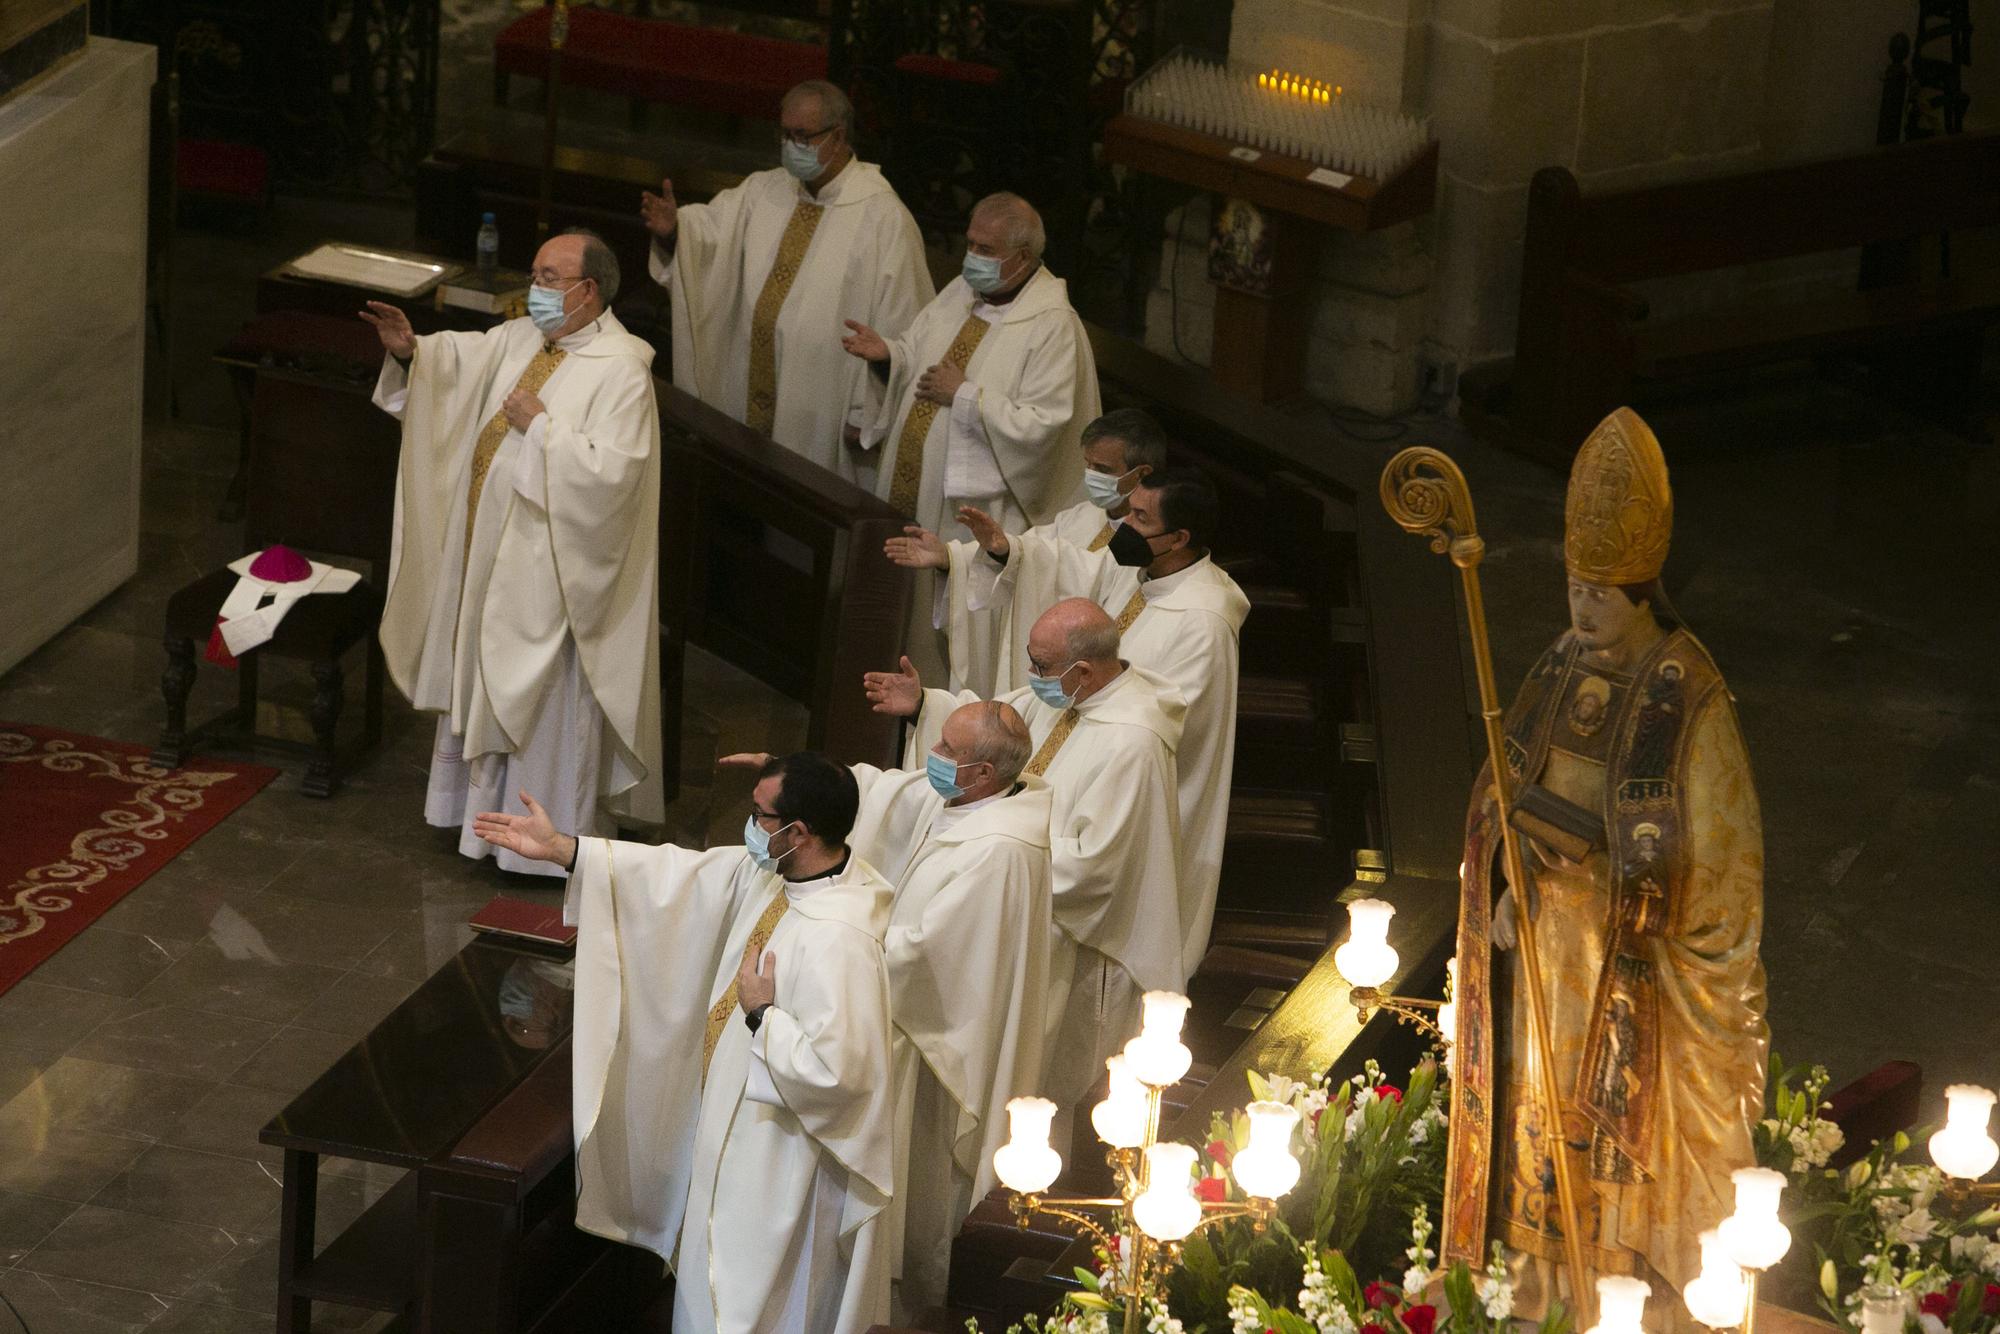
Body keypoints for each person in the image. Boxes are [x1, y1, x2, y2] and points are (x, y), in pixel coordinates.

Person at [1446, 408, 1767, 1327]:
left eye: (1599, 595)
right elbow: (1506, 784)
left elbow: (1723, 863)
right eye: (1573, 588)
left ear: (1641, 593)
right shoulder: (1559, 660)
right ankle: (1540, 1285)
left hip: (1631, 965)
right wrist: (1507, 874)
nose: (1579, 610)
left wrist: (1613, 867)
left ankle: (1613, 1287)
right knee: (1536, 1110)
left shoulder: (1687, 691)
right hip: (1548, 939)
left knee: (1604, 1127)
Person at [473, 755, 897, 1334]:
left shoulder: (840, 939)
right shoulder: (782, 876)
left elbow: (841, 1075)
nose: (749, 825)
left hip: (776, 1161)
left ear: (799, 832)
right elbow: (682, 877)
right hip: (732, 1130)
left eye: (759, 814)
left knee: (747, 1303)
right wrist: (566, 850)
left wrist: (762, 1015)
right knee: (708, 1284)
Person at [723, 701, 1052, 1317]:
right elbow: (884, 793)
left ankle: (908, 1301)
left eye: (949, 751)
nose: (935, 758)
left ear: (982, 773)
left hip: (930, 1038)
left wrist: (838, 937)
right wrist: (791, 778)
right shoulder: (971, 798)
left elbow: (931, 955)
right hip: (896, 1012)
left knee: (914, 1175)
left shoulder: (1003, 848)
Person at [362, 228, 662, 874]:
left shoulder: (623, 373)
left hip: (554, 584)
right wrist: (414, 352)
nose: (536, 291)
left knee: (543, 713)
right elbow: (463, 364)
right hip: (490, 562)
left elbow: (617, 477)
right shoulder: (525, 336)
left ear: (589, 291)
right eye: (534, 275)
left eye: (550, 280)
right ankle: (475, 826)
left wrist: (543, 428)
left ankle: (544, 852)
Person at [899, 467, 1247, 980]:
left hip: (1115, 786)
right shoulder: (1143, 569)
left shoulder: (1205, 620)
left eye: (1139, 517)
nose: (1121, 524)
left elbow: (1172, 722)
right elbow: (1076, 584)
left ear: (1179, 538)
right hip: (1075, 745)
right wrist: (1005, 551)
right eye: (1128, 509)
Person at [863, 599, 1183, 1113]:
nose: (1032, 676)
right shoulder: (1068, 694)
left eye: (1040, 666)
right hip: (1009, 903)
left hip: (1072, 940)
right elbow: (997, 729)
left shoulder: (1134, 743)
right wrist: (926, 703)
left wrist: (998, 848)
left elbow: (1095, 869)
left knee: (1039, 1083)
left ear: (1082, 670)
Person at [842, 192, 1099, 681]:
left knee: (939, 639)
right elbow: (917, 356)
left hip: (970, 517)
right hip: (913, 495)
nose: (971, 259)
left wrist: (966, 396)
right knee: (895, 619)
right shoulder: (960, 293)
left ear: (1022, 258)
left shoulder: (1053, 328)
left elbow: (1045, 426)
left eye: (985, 250)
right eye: (971, 244)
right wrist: (888, 358)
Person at [643, 79, 932, 475]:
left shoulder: (884, 218)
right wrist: (675, 230)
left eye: (802, 135)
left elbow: (904, 321)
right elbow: (710, 240)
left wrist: (868, 408)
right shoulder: (765, 189)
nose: (790, 146)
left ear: (838, 136)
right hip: (743, 386)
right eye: (784, 133)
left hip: (819, 403)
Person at [884, 407, 1171, 694]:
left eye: (1103, 470)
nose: (1091, 476)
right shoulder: (1082, 516)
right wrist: (952, 557)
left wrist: (1012, 551)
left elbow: (1066, 567)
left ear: (1141, 473)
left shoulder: (1147, 545)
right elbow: (1023, 552)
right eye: (1089, 465)